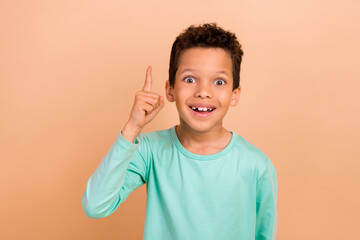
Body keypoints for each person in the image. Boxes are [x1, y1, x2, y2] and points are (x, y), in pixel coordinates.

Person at [82, 22, 278, 240]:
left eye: (219, 81)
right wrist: (131, 129)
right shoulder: (150, 151)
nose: (203, 92)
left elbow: (264, 234)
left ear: (235, 94)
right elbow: (95, 205)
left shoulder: (256, 165)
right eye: (190, 79)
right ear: (170, 90)